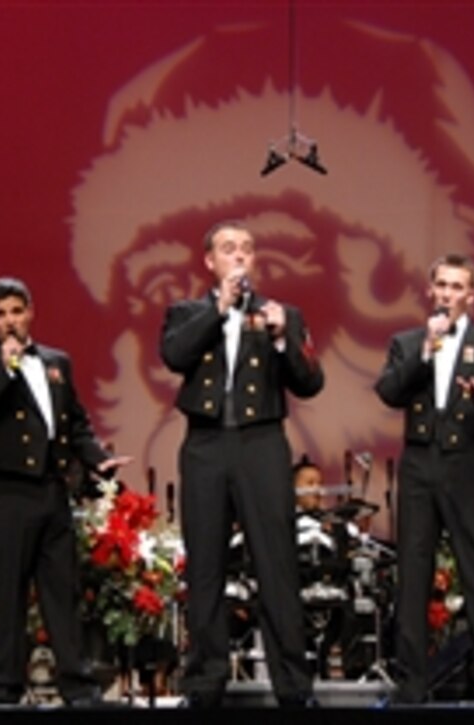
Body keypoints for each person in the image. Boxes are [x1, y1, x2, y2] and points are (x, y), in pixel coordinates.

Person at [159, 219, 323, 707]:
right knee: (206, 565)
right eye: (229, 249)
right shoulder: (187, 312)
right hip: (206, 445)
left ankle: (293, 684)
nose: (239, 256)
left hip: (262, 445)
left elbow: (311, 381)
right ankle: (205, 683)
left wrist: (281, 340)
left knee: (276, 565)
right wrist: (220, 308)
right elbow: (175, 355)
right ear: (210, 261)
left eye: (247, 249)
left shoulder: (281, 314)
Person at [0, 276, 130, 705]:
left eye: (16, 311)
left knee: (61, 591)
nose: (9, 322)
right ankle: (4, 687)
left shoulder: (56, 361)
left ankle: (78, 686)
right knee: (7, 594)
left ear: (30, 311)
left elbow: (75, 420)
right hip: (5, 493)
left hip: (52, 489)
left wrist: (95, 458)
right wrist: (5, 366)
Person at [375, 253, 474, 704]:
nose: (447, 294)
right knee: (414, 574)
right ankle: (412, 684)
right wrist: (425, 351)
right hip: (420, 464)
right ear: (430, 290)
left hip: (466, 465)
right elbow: (388, 391)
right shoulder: (408, 342)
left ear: (472, 295)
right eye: (441, 285)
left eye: (457, 287)